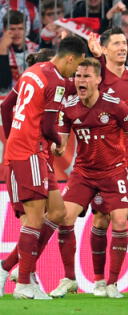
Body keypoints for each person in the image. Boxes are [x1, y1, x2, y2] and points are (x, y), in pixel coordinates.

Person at [52, 57, 128, 299]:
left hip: (114, 172)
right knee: (64, 219)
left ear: (98, 80)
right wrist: (58, 148)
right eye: (78, 76)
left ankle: (112, 284)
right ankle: (70, 279)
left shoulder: (115, 105)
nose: (80, 80)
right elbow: (61, 140)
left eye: (86, 76)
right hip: (83, 173)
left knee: (120, 222)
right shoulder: (69, 105)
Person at [2, 35, 85, 299]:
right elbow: (50, 126)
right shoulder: (56, 81)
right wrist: (58, 141)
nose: (76, 73)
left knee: (58, 212)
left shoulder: (32, 71)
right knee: (34, 220)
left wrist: (12, 137)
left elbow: (6, 107)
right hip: (30, 153)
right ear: (70, 58)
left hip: (22, 150)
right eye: (77, 66)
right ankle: (24, 282)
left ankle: (6, 268)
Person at [0, 10, 39, 92]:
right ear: (4, 30)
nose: (17, 33)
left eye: (20, 28)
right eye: (12, 29)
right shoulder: (1, 49)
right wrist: (3, 50)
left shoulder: (35, 49)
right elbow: (3, 85)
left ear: (26, 29)